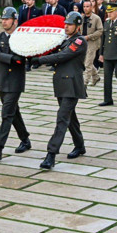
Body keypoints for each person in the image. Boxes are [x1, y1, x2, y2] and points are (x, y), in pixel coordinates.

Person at [29, 12, 87, 168]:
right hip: (62, 85)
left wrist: (39, 60)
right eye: (65, 24)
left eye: (70, 24)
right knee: (70, 118)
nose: (66, 26)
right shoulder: (65, 40)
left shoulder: (80, 41)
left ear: (78, 26)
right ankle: (80, 145)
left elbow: (62, 56)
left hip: (71, 86)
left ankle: (51, 154)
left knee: (62, 118)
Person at [0, 7, 31, 162]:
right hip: (1, 79)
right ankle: (25, 139)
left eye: (7, 19)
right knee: (13, 111)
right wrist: (13, 59)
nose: (4, 22)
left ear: (15, 21)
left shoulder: (23, 38)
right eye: (3, 19)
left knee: (6, 114)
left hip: (15, 80)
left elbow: (26, 55)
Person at [81, 0, 104, 87]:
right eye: (84, 6)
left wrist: (89, 36)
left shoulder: (96, 18)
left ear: (91, 7)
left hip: (93, 42)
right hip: (83, 41)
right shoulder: (82, 17)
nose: (85, 8)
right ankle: (96, 77)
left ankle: (84, 83)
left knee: (88, 63)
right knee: (86, 62)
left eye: (87, 6)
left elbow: (100, 31)